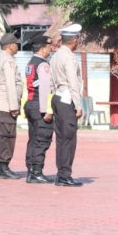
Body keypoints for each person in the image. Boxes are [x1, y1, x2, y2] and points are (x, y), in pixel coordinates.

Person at [50, 24, 85, 187]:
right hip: (67, 98)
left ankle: (61, 173)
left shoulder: (56, 55)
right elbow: (73, 82)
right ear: (74, 40)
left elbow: (50, 81)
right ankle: (64, 174)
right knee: (68, 139)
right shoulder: (69, 57)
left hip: (58, 97)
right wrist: (78, 105)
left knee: (61, 138)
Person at [0, 32, 24, 179]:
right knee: (7, 135)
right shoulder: (8, 60)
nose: (18, 46)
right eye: (16, 44)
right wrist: (14, 106)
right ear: (10, 45)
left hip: (0, 102)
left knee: (1, 135)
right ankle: (3, 167)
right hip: (6, 103)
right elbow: (11, 84)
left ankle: (2, 167)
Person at [24, 34, 55, 183]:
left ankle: (31, 169)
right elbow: (45, 88)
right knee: (42, 138)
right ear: (43, 49)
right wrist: (47, 110)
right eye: (49, 47)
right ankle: (36, 171)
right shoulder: (43, 65)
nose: (50, 49)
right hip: (39, 104)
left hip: (30, 102)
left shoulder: (30, 63)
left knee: (33, 138)